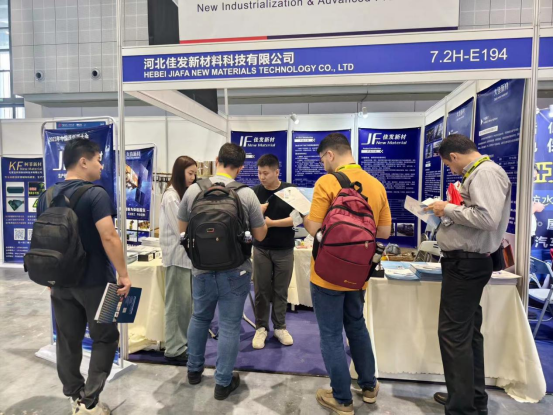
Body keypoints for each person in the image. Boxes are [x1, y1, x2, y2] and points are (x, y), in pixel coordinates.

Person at [37, 138, 132, 415]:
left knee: (67, 339)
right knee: (105, 338)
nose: (101, 165)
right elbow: (109, 235)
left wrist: (50, 277)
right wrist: (124, 274)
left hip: (60, 283)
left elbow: (42, 240)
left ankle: (74, 395)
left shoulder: (46, 196)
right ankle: (89, 401)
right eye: (98, 160)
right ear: (83, 161)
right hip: (98, 283)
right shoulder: (96, 194)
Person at [302, 133, 392, 415]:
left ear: (330, 154)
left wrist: (304, 217)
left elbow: (314, 226)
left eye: (322, 160)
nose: (323, 165)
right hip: (358, 273)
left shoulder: (326, 183)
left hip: (326, 273)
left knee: (330, 334)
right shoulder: (376, 185)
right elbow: (384, 232)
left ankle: (342, 399)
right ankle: (369, 387)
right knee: (356, 325)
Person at [426, 134, 511, 415]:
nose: (451, 170)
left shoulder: (485, 173)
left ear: (454, 156)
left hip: (467, 265)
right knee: (467, 333)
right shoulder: (481, 173)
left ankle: (462, 408)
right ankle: (469, 398)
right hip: (464, 264)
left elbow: (488, 218)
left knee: (453, 335)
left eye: (448, 165)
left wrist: (447, 208)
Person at [178, 143, 268, 400]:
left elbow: (182, 231)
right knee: (229, 325)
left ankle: (193, 371)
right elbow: (260, 235)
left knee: (199, 318)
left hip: (201, 269)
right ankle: (222, 383)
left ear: (217, 160)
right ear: (240, 168)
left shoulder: (194, 190)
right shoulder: (246, 194)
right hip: (236, 270)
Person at [251, 154, 295, 349]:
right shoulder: (254, 192)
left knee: (281, 290)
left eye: (266, 173)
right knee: (261, 290)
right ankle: (261, 327)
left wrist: (272, 223)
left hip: (284, 248)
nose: (262, 177)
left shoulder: (290, 191)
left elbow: (298, 219)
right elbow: (246, 220)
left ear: (277, 172)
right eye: (259, 173)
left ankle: (280, 327)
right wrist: (257, 213)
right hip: (261, 248)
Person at [159, 156, 198, 363]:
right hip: (177, 258)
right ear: (179, 172)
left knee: (185, 306)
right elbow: (181, 230)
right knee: (176, 306)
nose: (193, 177)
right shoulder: (171, 197)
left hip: (185, 259)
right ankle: (174, 348)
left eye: (194, 174)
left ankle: (182, 344)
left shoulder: (180, 195)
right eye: (190, 173)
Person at [532, 165, 546, 245]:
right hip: (522, 235)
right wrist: (534, 208)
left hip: (529, 233)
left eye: (535, 178)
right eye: (533, 178)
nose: (533, 181)